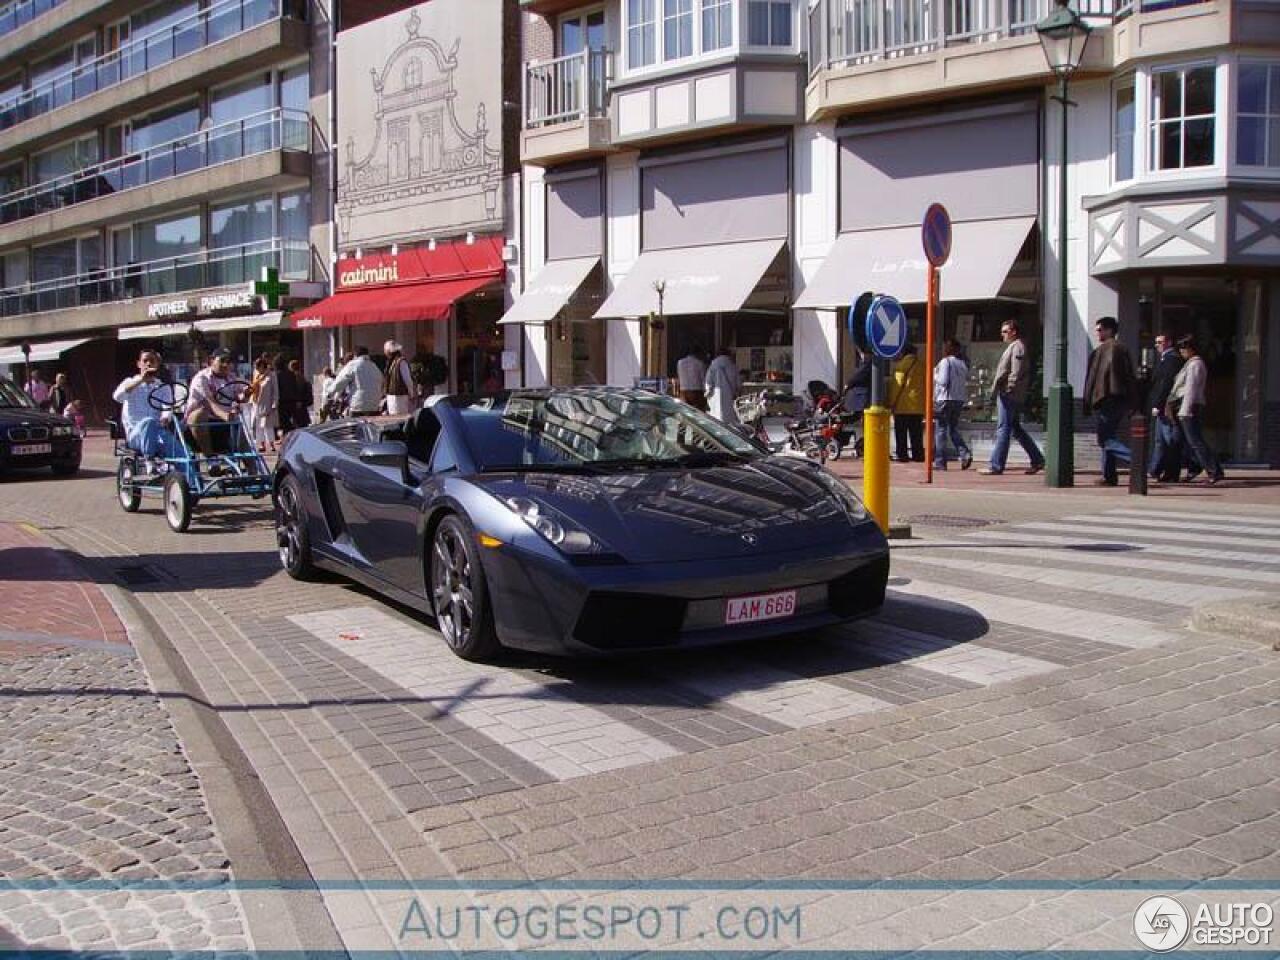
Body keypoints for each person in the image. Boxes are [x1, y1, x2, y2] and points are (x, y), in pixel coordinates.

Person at [980, 320, 1045, 476]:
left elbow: (1016, 372)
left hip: (1009, 395)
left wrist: (1008, 389)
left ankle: (996, 465)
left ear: (1013, 331)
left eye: (1005, 331)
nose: (1002, 335)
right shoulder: (1016, 346)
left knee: (1003, 429)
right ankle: (1037, 459)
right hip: (1012, 394)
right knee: (1015, 429)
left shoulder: (1017, 347)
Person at [1082, 315, 1138, 487]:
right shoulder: (1120, 349)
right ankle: (1109, 475)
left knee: (1104, 438)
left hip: (1108, 399)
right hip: (1116, 399)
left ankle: (1137, 460)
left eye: (1100, 329)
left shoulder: (1107, 350)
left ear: (1109, 330)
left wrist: (1089, 400)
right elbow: (1129, 377)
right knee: (1109, 435)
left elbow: (1096, 378)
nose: (1097, 333)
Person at [1167, 335, 1224, 486]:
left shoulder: (1195, 364)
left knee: (1195, 441)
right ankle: (1194, 467)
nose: (1181, 352)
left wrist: (1185, 410)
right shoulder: (1189, 364)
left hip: (1189, 406)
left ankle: (1214, 471)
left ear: (1191, 349)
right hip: (1184, 405)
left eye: (1184, 349)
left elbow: (1191, 389)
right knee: (1184, 441)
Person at [112, 349, 180, 466]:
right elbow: (118, 397)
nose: (148, 364)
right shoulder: (129, 382)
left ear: (157, 365)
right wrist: (140, 380)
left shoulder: (163, 387)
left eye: (152, 361)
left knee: (180, 451)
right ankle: (149, 460)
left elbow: (167, 407)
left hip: (158, 433)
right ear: (139, 364)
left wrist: (165, 418)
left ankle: (191, 482)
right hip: (135, 435)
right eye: (145, 361)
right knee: (149, 422)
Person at [185, 348, 242, 458]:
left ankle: (255, 470)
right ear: (211, 361)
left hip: (224, 424)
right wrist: (225, 416)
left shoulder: (231, 378)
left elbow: (239, 396)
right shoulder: (201, 378)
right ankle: (210, 458)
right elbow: (210, 402)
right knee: (199, 414)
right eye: (222, 360)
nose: (226, 364)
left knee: (240, 422)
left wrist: (245, 395)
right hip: (197, 427)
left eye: (229, 361)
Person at [1146, 332, 1183, 483]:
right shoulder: (1164, 359)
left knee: (1169, 440)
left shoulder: (1171, 359)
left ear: (1168, 343)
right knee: (1160, 440)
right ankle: (1155, 469)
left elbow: (1166, 383)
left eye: (1160, 342)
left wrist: (1158, 404)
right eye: (1156, 343)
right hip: (1162, 405)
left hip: (1165, 406)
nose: (1157, 346)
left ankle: (1171, 472)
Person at [933, 338, 973, 471]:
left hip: (945, 399)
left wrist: (935, 375)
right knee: (953, 429)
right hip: (958, 399)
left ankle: (940, 462)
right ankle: (964, 453)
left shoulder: (945, 362)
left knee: (941, 430)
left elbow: (943, 381)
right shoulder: (962, 364)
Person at [889, 344, 925, 462]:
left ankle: (902, 455)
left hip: (903, 405)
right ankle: (918, 455)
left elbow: (897, 386)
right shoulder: (922, 365)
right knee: (916, 433)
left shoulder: (901, 365)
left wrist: (891, 403)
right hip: (918, 406)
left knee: (901, 433)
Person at [328, 345, 383, 415]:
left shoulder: (353, 365)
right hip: (374, 405)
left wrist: (329, 393)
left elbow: (340, 381)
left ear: (355, 355)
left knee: (355, 425)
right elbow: (381, 382)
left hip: (358, 405)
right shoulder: (374, 366)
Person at [704, 346, 740, 425]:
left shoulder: (713, 365)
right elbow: (738, 383)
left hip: (715, 396)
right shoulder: (733, 365)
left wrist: (708, 391)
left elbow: (708, 381)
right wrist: (737, 392)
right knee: (729, 417)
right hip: (729, 396)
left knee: (717, 417)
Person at [251, 356, 278, 452]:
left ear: (263, 366)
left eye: (258, 367)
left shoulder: (271, 375)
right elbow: (253, 387)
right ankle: (262, 444)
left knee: (268, 425)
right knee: (258, 426)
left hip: (267, 403)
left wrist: (275, 403)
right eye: (256, 367)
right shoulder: (256, 374)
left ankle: (271, 444)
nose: (257, 369)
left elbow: (275, 390)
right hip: (256, 403)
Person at [383, 340, 417, 415]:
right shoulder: (391, 362)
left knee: (400, 419)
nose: (384, 352)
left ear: (389, 351)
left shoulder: (401, 362)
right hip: (391, 396)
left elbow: (407, 380)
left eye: (385, 350)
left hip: (399, 396)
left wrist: (411, 394)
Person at [676, 344, 708, 411]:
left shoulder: (680, 362)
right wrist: (706, 393)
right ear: (697, 353)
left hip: (684, 391)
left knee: (686, 413)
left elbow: (679, 376)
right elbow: (703, 379)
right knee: (699, 414)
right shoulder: (700, 363)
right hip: (696, 392)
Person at [273, 354, 298, 434]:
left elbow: (276, 389)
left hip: (281, 401)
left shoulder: (276, 375)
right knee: (287, 421)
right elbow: (295, 387)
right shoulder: (291, 374)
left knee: (283, 421)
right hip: (292, 400)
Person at [289, 358, 313, 428]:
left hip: (297, 407)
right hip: (302, 407)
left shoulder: (295, 377)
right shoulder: (302, 377)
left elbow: (297, 391)